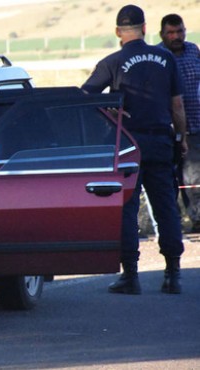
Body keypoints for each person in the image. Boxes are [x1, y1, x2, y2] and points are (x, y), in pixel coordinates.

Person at [81, 5, 187, 295]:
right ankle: (173, 275)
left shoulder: (112, 62)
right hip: (161, 140)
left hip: (128, 145)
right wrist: (182, 137)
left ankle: (131, 276)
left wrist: (110, 112)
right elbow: (177, 104)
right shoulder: (166, 58)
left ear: (118, 32)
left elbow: (85, 98)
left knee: (127, 208)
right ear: (144, 28)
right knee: (166, 207)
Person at [158, 14, 200, 232]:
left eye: (180, 31)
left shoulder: (194, 50)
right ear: (162, 34)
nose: (176, 36)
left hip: (196, 123)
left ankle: (196, 220)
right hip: (169, 127)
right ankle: (172, 223)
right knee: (174, 178)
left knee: (195, 176)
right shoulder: (157, 55)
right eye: (171, 33)